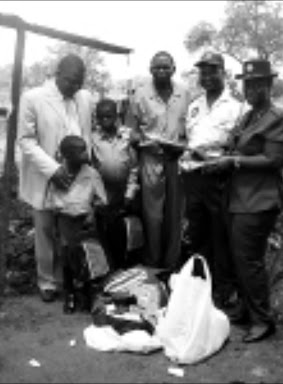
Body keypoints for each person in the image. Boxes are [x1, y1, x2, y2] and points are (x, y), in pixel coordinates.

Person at [203, 59, 283, 342]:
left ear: (269, 85)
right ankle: (245, 308)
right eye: (247, 84)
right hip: (239, 198)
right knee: (238, 258)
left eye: (257, 84)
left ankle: (262, 320)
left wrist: (234, 162)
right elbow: (233, 146)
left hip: (259, 200)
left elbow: (274, 159)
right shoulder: (249, 116)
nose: (251, 89)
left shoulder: (277, 118)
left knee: (249, 260)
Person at [17, 53, 93, 303]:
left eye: (79, 82)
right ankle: (47, 282)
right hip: (46, 175)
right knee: (46, 228)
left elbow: (87, 134)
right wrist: (53, 169)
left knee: (71, 229)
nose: (75, 87)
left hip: (76, 176)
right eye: (71, 81)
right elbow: (26, 140)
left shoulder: (84, 98)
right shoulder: (33, 98)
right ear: (57, 73)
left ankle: (68, 279)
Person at [180, 51, 244, 308]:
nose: (206, 76)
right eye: (202, 72)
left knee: (221, 235)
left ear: (223, 73)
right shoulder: (194, 106)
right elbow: (190, 140)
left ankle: (223, 290)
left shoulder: (238, 106)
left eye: (212, 71)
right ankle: (200, 287)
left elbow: (241, 146)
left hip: (219, 179)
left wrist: (221, 160)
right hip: (193, 178)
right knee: (197, 235)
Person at [126, 51, 191, 270]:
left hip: (177, 159)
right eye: (157, 67)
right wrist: (138, 139)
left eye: (166, 67)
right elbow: (130, 130)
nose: (161, 71)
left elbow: (191, 128)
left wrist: (181, 147)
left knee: (175, 215)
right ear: (150, 69)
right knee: (153, 216)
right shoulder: (140, 94)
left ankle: (171, 264)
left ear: (174, 69)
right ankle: (153, 262)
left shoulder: (185, 93)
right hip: (150, 159)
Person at [45, 135, 108, 313]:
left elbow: (103, 200)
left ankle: (91, 293)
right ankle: (70, 293)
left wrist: (92, 211)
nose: (85, 153)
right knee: (68, 255)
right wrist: (58, 224)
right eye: (79, 151)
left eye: (84, 148)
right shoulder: (58, 175)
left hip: (85, 221)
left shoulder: (91, 174)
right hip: (65, 220)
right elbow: (52, 203)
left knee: (89, 254)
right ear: (67, 155)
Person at [91, 98, 140, 269]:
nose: (105, 121)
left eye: (109, 117)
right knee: (102, 232)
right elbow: (91, 168)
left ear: (116, 116)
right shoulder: (93, 139)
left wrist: (130, 193)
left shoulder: (126, 136)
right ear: (96, 118)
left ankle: (121, 266)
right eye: (101, 117)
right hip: (102, 193)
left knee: (120, 232)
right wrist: (97, 196)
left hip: (122, 193)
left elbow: (134, 167)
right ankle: (106, 268)